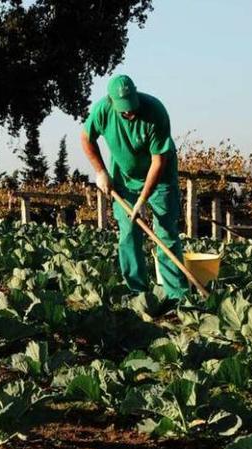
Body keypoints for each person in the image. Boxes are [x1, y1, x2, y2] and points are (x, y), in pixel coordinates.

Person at [80, 75, 189, 300]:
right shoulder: (102, 111)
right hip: (123, 178)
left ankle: (176, 296)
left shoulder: (155, 111)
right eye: (124, 110)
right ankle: (137, 292)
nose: (129, 113)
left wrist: (141, 201)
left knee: (165, 233)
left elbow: (158, 161)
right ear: (111, 102)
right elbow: (86, 139)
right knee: (128, 233)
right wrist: (101, 171)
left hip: (160, 178)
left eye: (131, 108)